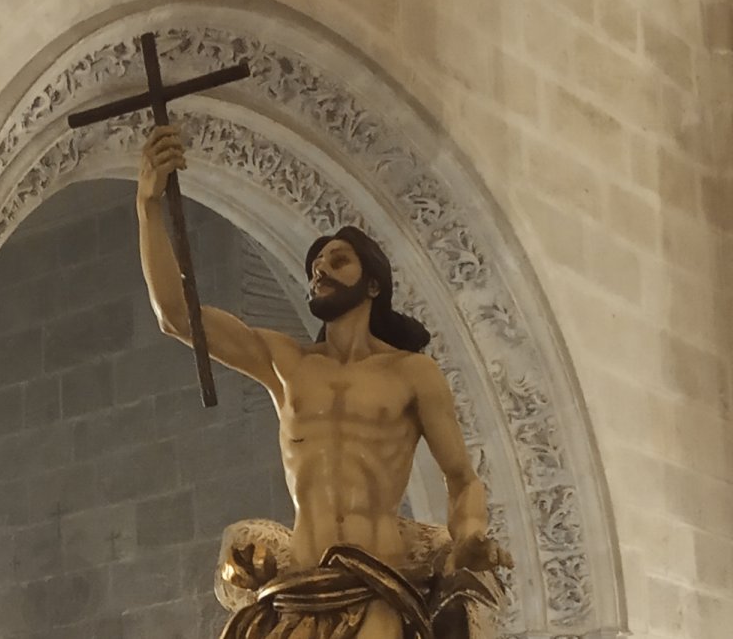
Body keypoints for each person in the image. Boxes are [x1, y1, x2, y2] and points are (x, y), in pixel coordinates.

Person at [136, 126, 513, 639]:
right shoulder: (287, 363)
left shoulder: (410, 373)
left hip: (374, 585)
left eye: (338, 260)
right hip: (297, 590)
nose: (320, 269)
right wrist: (148, 205)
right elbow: (177, 317)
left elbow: (462, 478)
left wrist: (469, 534)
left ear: (372, 284)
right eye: (316, 265)